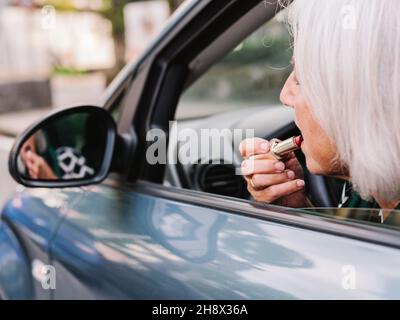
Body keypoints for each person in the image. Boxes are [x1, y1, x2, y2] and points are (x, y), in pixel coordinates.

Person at [240, 0, 400, 213]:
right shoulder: (368, 195)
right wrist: (291, 206)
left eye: (302, 79)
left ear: (361, 97)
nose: (285, 95)